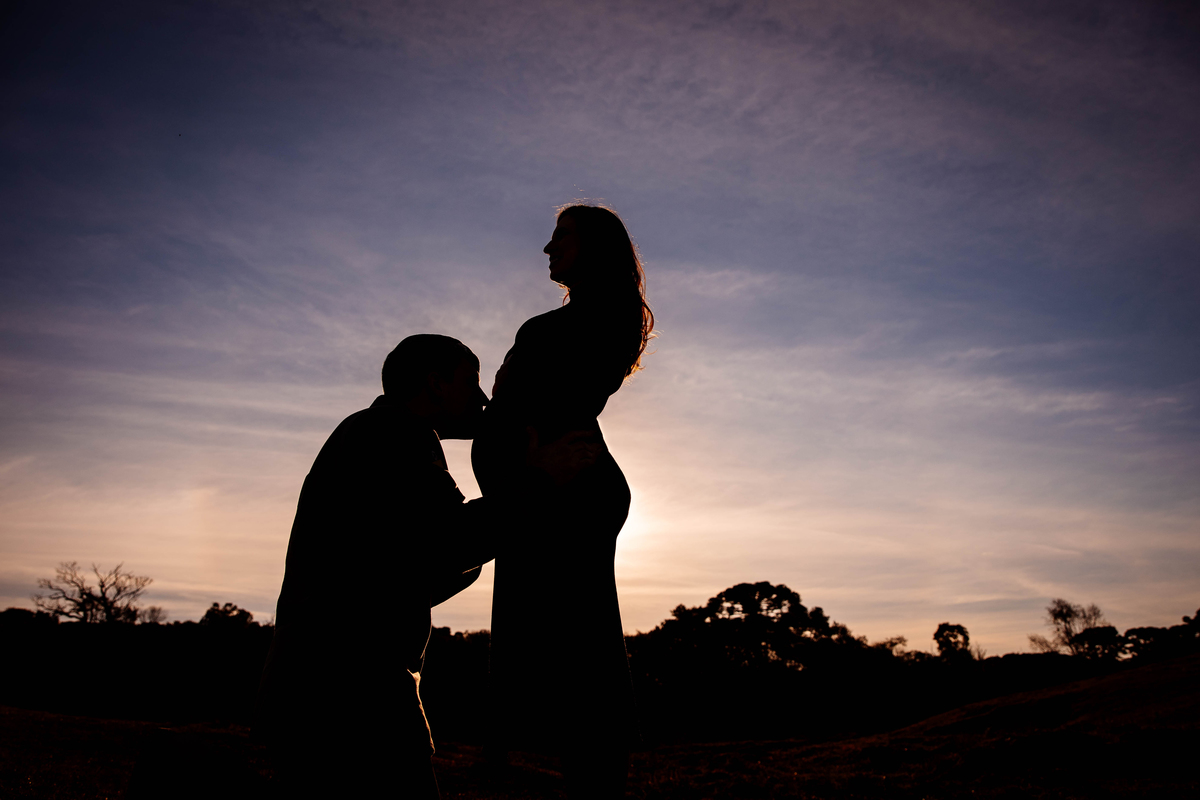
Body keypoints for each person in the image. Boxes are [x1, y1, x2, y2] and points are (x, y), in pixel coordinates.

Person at [255, 334, 594, 798]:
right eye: (471, 382)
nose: (482, 399)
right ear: (435, 383)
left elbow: (422, 564)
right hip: (351, 694)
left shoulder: (375, 433)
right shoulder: (394, 433)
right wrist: (541, 479)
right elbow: (452, 542)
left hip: (321, 689)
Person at [472, 204, 654, 798]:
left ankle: (594, 780)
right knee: (550, 648)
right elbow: (511, 395)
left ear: (596, 247)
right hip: (541, 488)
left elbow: (529, 393)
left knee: (583, 649)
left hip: (568, 489)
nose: (548, 249)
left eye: (561, 237)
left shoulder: (601, 318)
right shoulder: (566, 323)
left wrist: (513, 405)